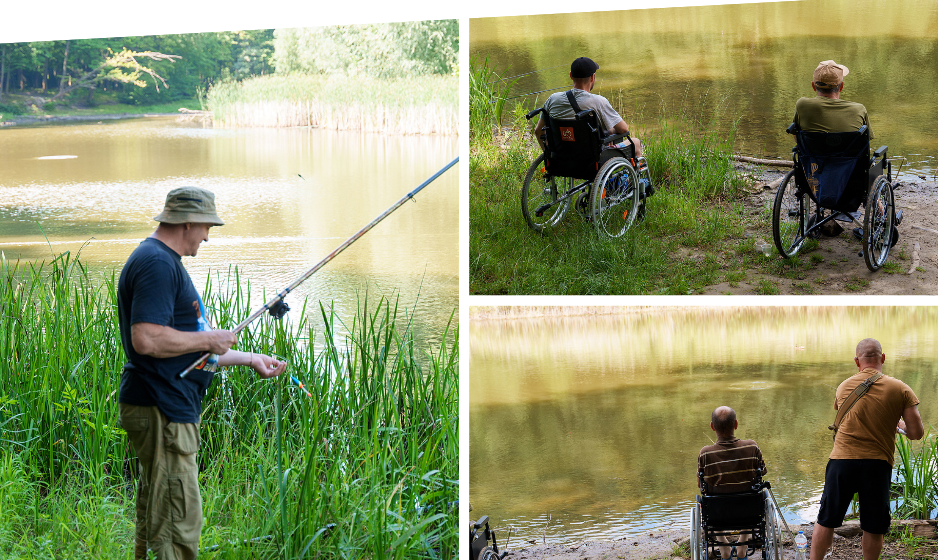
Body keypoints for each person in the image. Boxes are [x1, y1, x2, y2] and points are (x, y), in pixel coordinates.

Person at [117, 186, 287, 560]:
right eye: (207, 227)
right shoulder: (158, 264)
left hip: (161, 404)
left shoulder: (160, 260)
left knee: (159, 516)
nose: (208, 236)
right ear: (187, 222)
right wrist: (208, 338)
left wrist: (248, 358)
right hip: (162, 408)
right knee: (177, 525)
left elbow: (181, 351)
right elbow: (146, 339)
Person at [810, 338, 924, 560]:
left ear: (856, 361)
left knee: (826, 519)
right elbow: (916, 434)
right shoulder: (901, 389)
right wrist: (898, 426)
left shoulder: (843, 386)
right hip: (876, 464)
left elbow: (854, 416)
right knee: (873, 525)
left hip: (841, 461)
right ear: (882, 358)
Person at [533, 56, 644, 159]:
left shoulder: (552, 99)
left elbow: (538, 131)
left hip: (562, 160)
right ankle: (634, 179)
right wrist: (611, 130)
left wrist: (549, 154)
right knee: (635, 142)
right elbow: (624, 129)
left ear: (571, 75)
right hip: (592, 160)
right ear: (592, 77)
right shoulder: (598, 102)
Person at [698, 406, 767, 559]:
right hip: (749, 512)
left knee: (708, 499)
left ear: (712, 426)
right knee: (753, 496)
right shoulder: (751, 446)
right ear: (736, 424)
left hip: (718, 514)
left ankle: (724, 547)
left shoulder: (705, 453)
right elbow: (762, 472)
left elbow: (700, 484)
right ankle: (742, 545)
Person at [793, 60, 873, 137]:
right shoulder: (858, 109)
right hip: (851, 151)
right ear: (841, 86)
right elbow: (867, 140)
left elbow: (797, 137)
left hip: (810, 151)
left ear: (813, 86)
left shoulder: (802, 105)